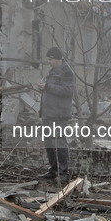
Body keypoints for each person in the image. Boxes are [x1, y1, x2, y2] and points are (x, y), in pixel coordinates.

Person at [37, 47, 76, 182]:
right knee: (49, 142)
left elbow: (66, 90)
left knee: (59, 142)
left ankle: (64, 173)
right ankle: (53, 171)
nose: (48, 62)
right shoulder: (52, 71)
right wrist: (43, 86)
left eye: (50, 59)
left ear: (57, 59)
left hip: (59, 114)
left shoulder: (67, 72)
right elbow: (51, 89)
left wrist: (46, 86)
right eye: (48, 59)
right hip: (48, 113)